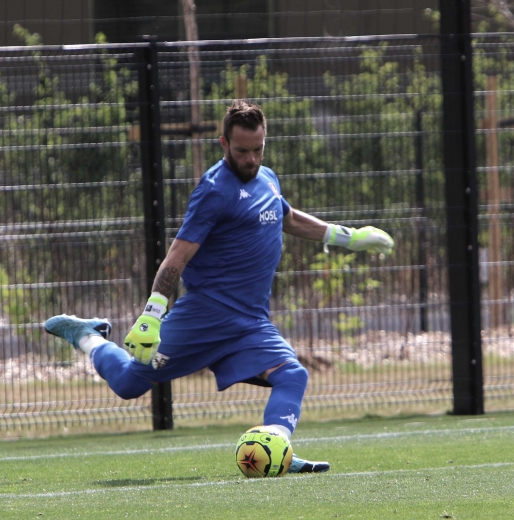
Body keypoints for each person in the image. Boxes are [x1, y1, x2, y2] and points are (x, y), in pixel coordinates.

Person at [44, 99, 395, 473]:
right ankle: (89, 336)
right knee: (129, 383)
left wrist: (349, 237)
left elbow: (288, 218)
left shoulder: (267, 178)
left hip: (250, 321)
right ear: (224, 143)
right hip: (205, 315)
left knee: (292, 374)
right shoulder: (214, 190)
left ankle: (277, 448)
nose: (251, 159)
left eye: (258, 149)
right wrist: (152, 315)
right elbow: (177, 257)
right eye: (242, 151)